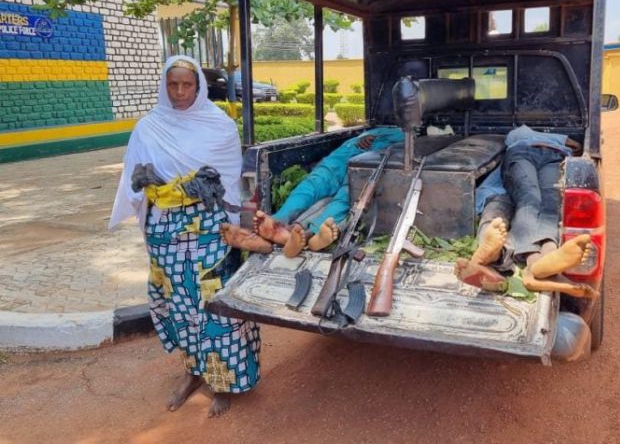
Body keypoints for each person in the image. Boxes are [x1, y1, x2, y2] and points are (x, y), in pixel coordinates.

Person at [109, 55, 261, 418]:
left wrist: (232, 223)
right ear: (164, 85)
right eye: (173, 84)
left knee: (216, 304)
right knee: (179, 305)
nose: (179, 91)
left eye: (187, 84)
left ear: (199, 86)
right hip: (165, 231)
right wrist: (148, 190)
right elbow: (134, 178)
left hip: (210, 230)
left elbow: (228, 182)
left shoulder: (219, 126)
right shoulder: (148, 127)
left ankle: (223, 380)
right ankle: (193, 372)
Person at [455, 125, 598, 299]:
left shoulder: (549, 146)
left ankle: (543, 259)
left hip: (555, 157)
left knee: (550, 201)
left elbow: (574, 146)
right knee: (530, 197)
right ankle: (535, 262)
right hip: (524, 153)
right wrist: (566, 142)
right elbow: (575, 144)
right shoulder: (520, 133)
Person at [223, 127, 404, 257]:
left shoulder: (408, 134)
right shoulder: (391, 130)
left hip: (367, 164)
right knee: (315, 185)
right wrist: (368, 137)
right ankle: (280, 225)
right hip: (351, 154)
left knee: (347, 194)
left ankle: (302, 234)